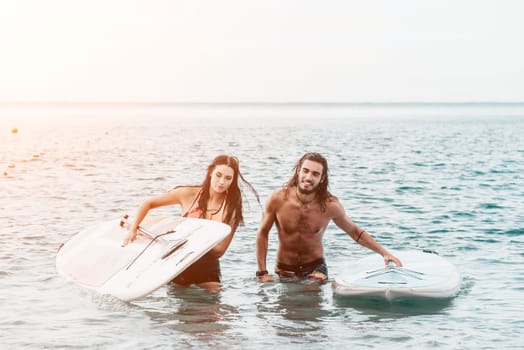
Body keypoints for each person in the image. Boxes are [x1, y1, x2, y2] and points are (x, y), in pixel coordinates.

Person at [256, 152, 401, 285]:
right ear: (298, 170)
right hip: (284, 268)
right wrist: (262, 271)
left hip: (315, 267)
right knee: (288, 309)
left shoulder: (330, 205)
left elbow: (354, 231)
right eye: (305, 171)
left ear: (322, 178)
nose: (308, 177)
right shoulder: (277, 199)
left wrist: (385, 253)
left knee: (310, 303)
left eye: (315, 174)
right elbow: (262, 233)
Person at [123, 154, 259, 292]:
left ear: (232, 180)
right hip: (179, 263)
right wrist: (133, 229)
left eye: (228, 178)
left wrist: (193, 238)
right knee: (179, 308)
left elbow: (219, 251)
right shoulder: (188, 194)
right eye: (218, 175)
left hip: (207, 265)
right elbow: (148, 203)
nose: (222, 182)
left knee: (214, 310)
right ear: (210, 172)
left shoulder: (231, 208)